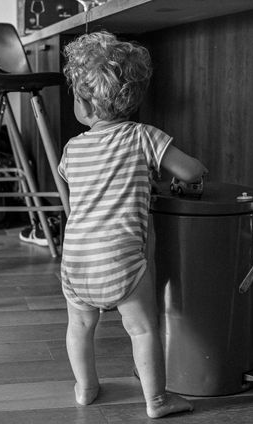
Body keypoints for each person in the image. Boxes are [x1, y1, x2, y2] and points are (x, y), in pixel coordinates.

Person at [60, 31, 207, 418]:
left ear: (85, 105)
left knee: (79, 327)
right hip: (123, 260)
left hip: (75, 261)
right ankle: (156, 400)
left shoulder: (72, 150)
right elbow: (192, 171)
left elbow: (87, 184)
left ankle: (86, 388)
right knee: (142, 330)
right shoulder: (144, 136)